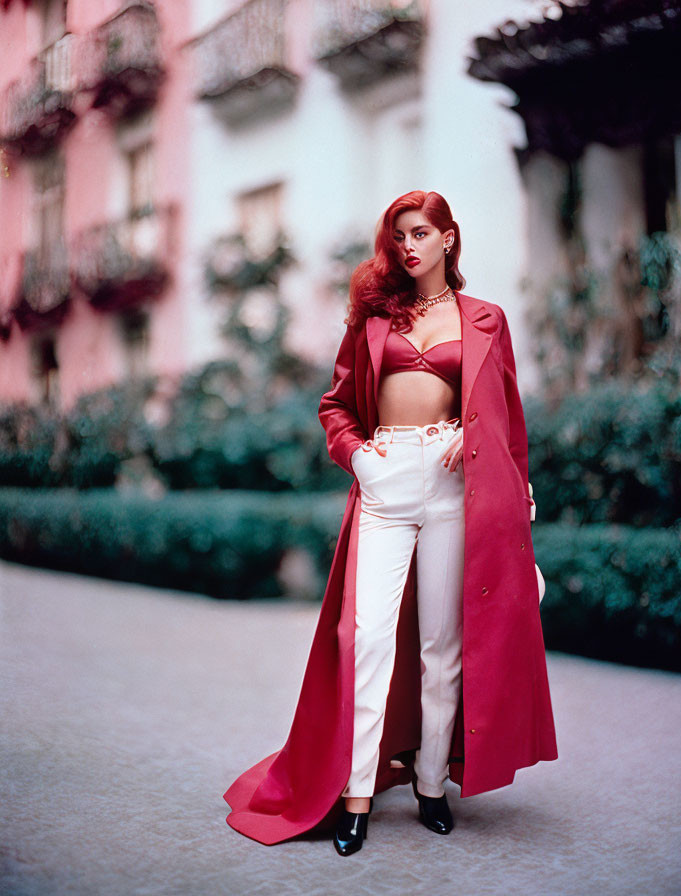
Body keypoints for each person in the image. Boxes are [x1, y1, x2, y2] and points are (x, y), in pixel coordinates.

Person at [223, 190, 557, 855]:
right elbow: (335, 407)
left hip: (453, 488)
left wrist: (488, 453)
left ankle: (432, 783)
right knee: (367, 637)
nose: (408, 246)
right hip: (385, 482)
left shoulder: (486, 320)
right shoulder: (374, 319)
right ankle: (354, 793)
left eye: (421, 233)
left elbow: (509, 420)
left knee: (441, 646)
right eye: (399, 235)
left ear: (448, 239)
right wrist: (359, 460)